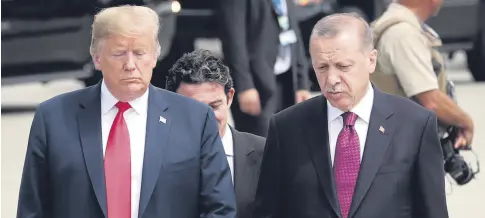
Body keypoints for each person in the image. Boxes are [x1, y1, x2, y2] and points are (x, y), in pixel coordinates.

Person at [17, 5, 236, 218]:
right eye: (119, 54)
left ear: (155, 56)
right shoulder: (53, 118)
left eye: (140, 53)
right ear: (96, 58)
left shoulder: (195, 119)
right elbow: (32, 209)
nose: (130, 64)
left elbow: (219, 207)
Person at [253, 13, 448, 218]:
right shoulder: (287, 128)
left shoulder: (415, 124)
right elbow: (268, 211)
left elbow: (432, 211)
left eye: (343, 66)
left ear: (371, 60)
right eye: (322, 68)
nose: (332, 79)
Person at [166, 49, 266, 218]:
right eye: (194, 109)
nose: (206, 118)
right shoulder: (156, 156)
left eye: (214, 106)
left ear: (230, 97)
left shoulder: (266, 153)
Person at [371, 0, 474, 149]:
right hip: (401, 151)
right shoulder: (403, 34)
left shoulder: (392, 24)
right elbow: (432, 102)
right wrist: (465, 121)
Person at [218, 0, 312, 137]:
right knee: (260, 147)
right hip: (257, 86)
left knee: (288, 143)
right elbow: (233, 41)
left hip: (285, 81)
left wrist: (301, 83)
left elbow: (293, 33)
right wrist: (244, 86)